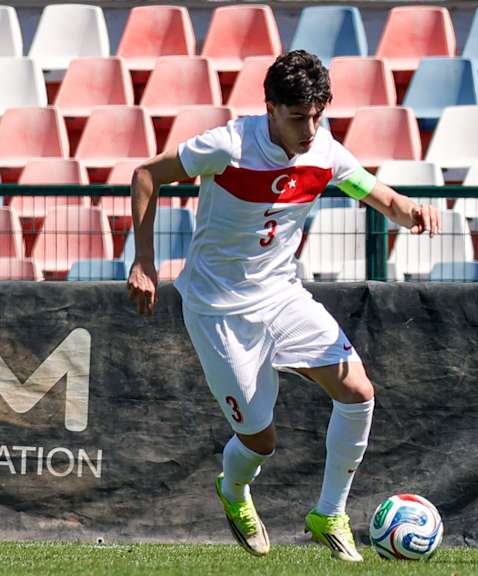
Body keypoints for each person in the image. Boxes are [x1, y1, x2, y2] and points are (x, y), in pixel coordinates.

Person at [125, 50, 440, 561]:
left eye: (317, 115)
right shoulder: (228, 145)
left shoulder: (325, 150)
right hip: (218, 310)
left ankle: (329, 512)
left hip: (282, 296)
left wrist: (408, 211)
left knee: (358, 391)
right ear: (270, 108)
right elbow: (145, 174)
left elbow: (376, 194)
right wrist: (143, 260)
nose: (310, 129)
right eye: (298, 117)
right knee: (259, 442)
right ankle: (233, 489)